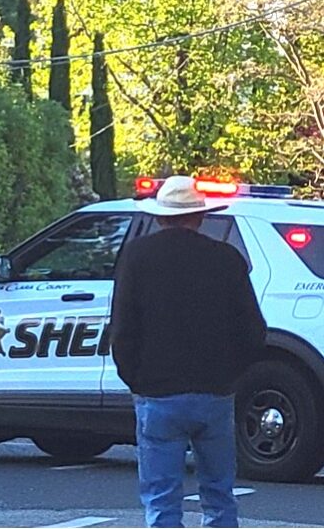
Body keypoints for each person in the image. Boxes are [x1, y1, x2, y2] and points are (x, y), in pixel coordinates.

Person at [111, 176, 267, 528]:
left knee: (162, 499)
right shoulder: (227, 259)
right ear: (200, 217)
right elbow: (254, 333)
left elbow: (122, 329)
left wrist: (135, 378)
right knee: (219, 495)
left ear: (160, 217)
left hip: (158, 392)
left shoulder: (137, 256)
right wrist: (230, 376)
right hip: (214, 394)